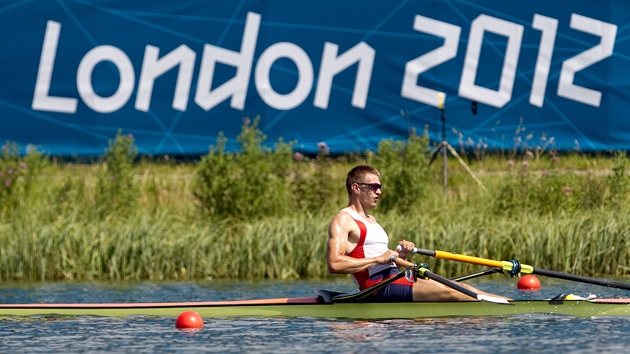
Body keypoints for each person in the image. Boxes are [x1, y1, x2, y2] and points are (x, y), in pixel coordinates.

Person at [327, 165, 505, 301]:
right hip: (376, 286)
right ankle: (511, 309)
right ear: (356, 188)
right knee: (452, 291)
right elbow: (334, 264)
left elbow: (382, 257)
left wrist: (400, 254)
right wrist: (378, 259)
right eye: (373, 186)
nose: (379, 191)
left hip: (394, 277)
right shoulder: (344, 219)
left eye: (379, 186)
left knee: (460, 287)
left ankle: (508, 303)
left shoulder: (371, 220)